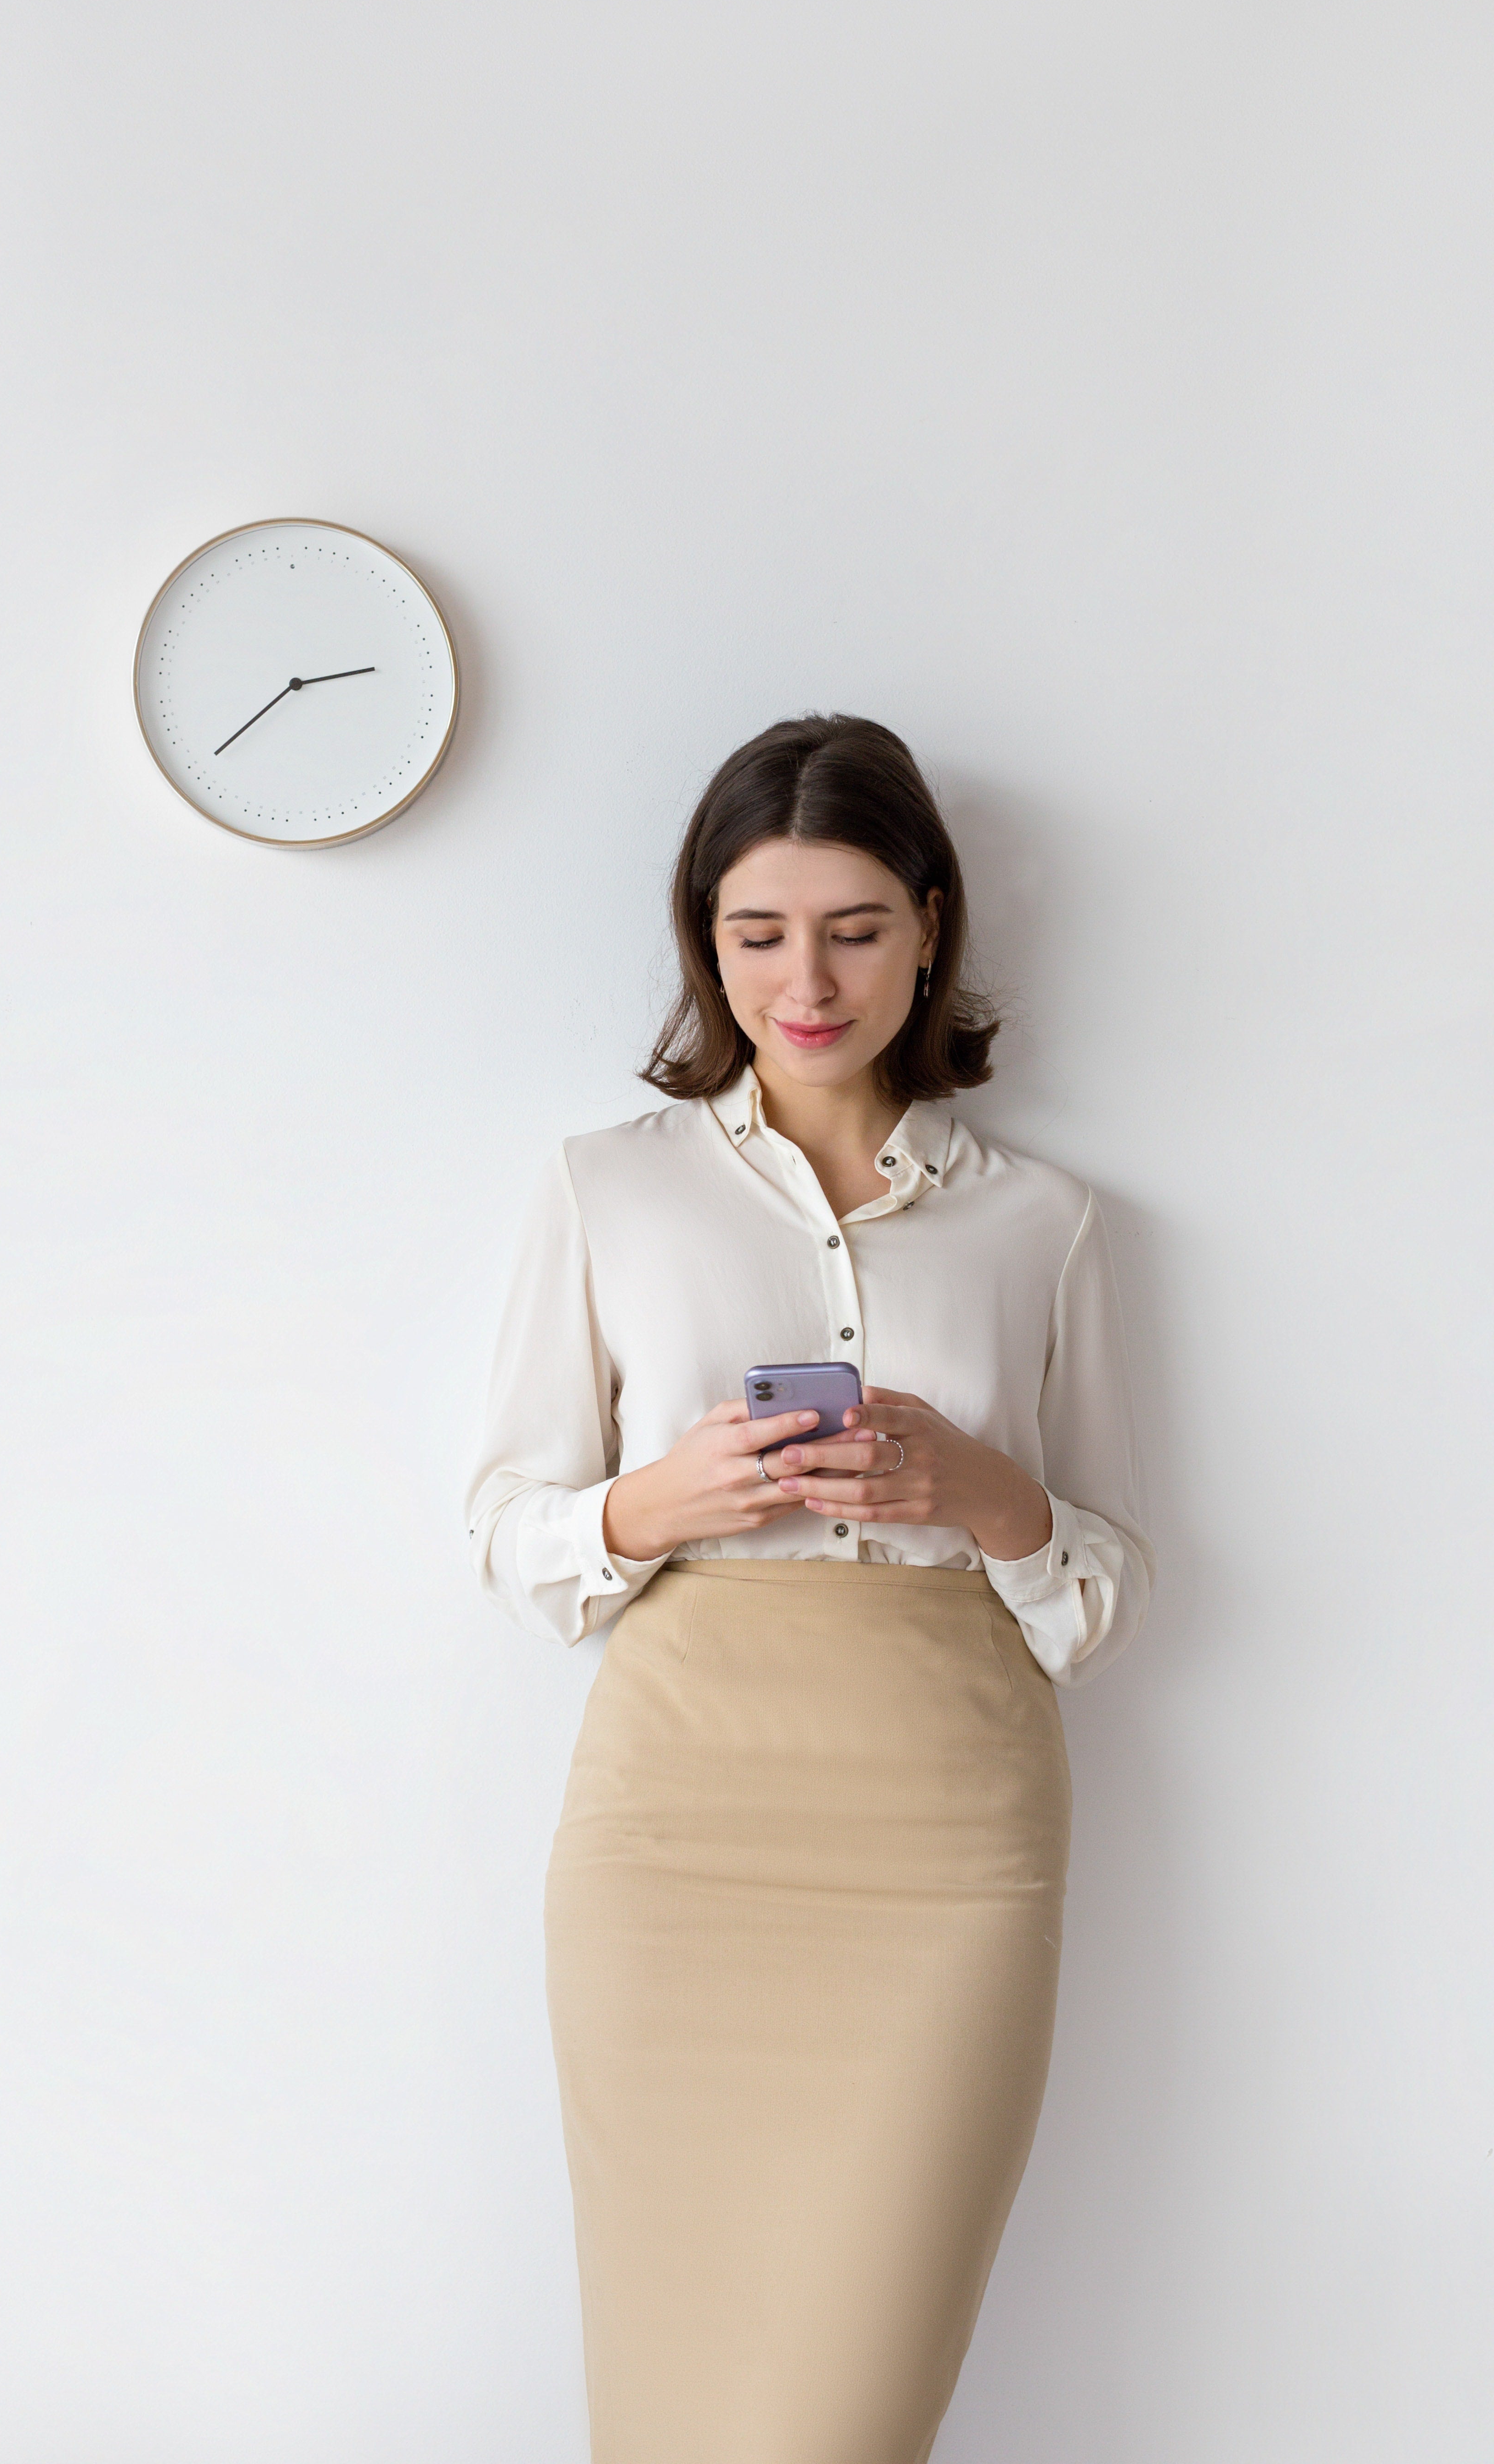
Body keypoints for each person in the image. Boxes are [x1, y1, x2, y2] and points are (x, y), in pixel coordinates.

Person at [466, 714, 1153, 2464]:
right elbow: (504, 1532)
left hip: (948, 1846)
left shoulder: (1047, 1223)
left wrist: (980, 1490)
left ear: (931, 925)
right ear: (708, 940)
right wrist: (653, 1503)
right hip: (673, 1839)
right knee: (670, 2402)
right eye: (757, 932)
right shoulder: (603, 1189)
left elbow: (1101, 1595)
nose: (809, 978)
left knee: (847, 2421)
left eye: (854, 927)